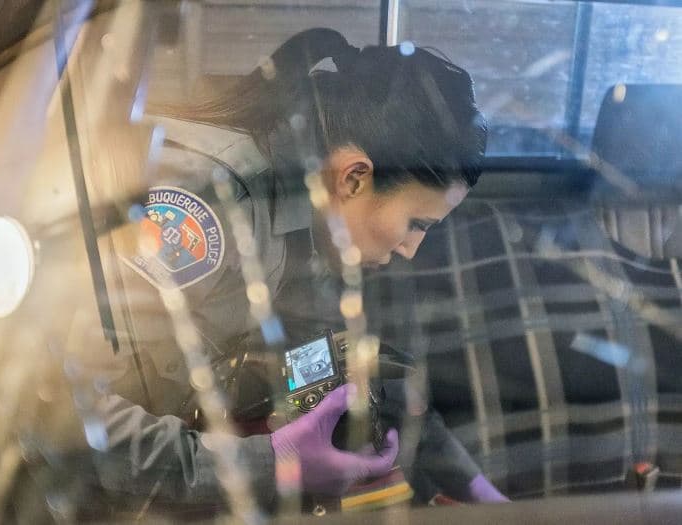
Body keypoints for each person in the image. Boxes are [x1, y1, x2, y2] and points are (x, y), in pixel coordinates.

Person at [79, 27, 507, 515]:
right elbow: (69, 423)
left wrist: (476, 491)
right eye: (417, 224)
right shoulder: (209, 210)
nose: (411, 249)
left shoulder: (311, 217)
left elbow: (341, 366)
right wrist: (274, 462)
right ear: (354, 177)